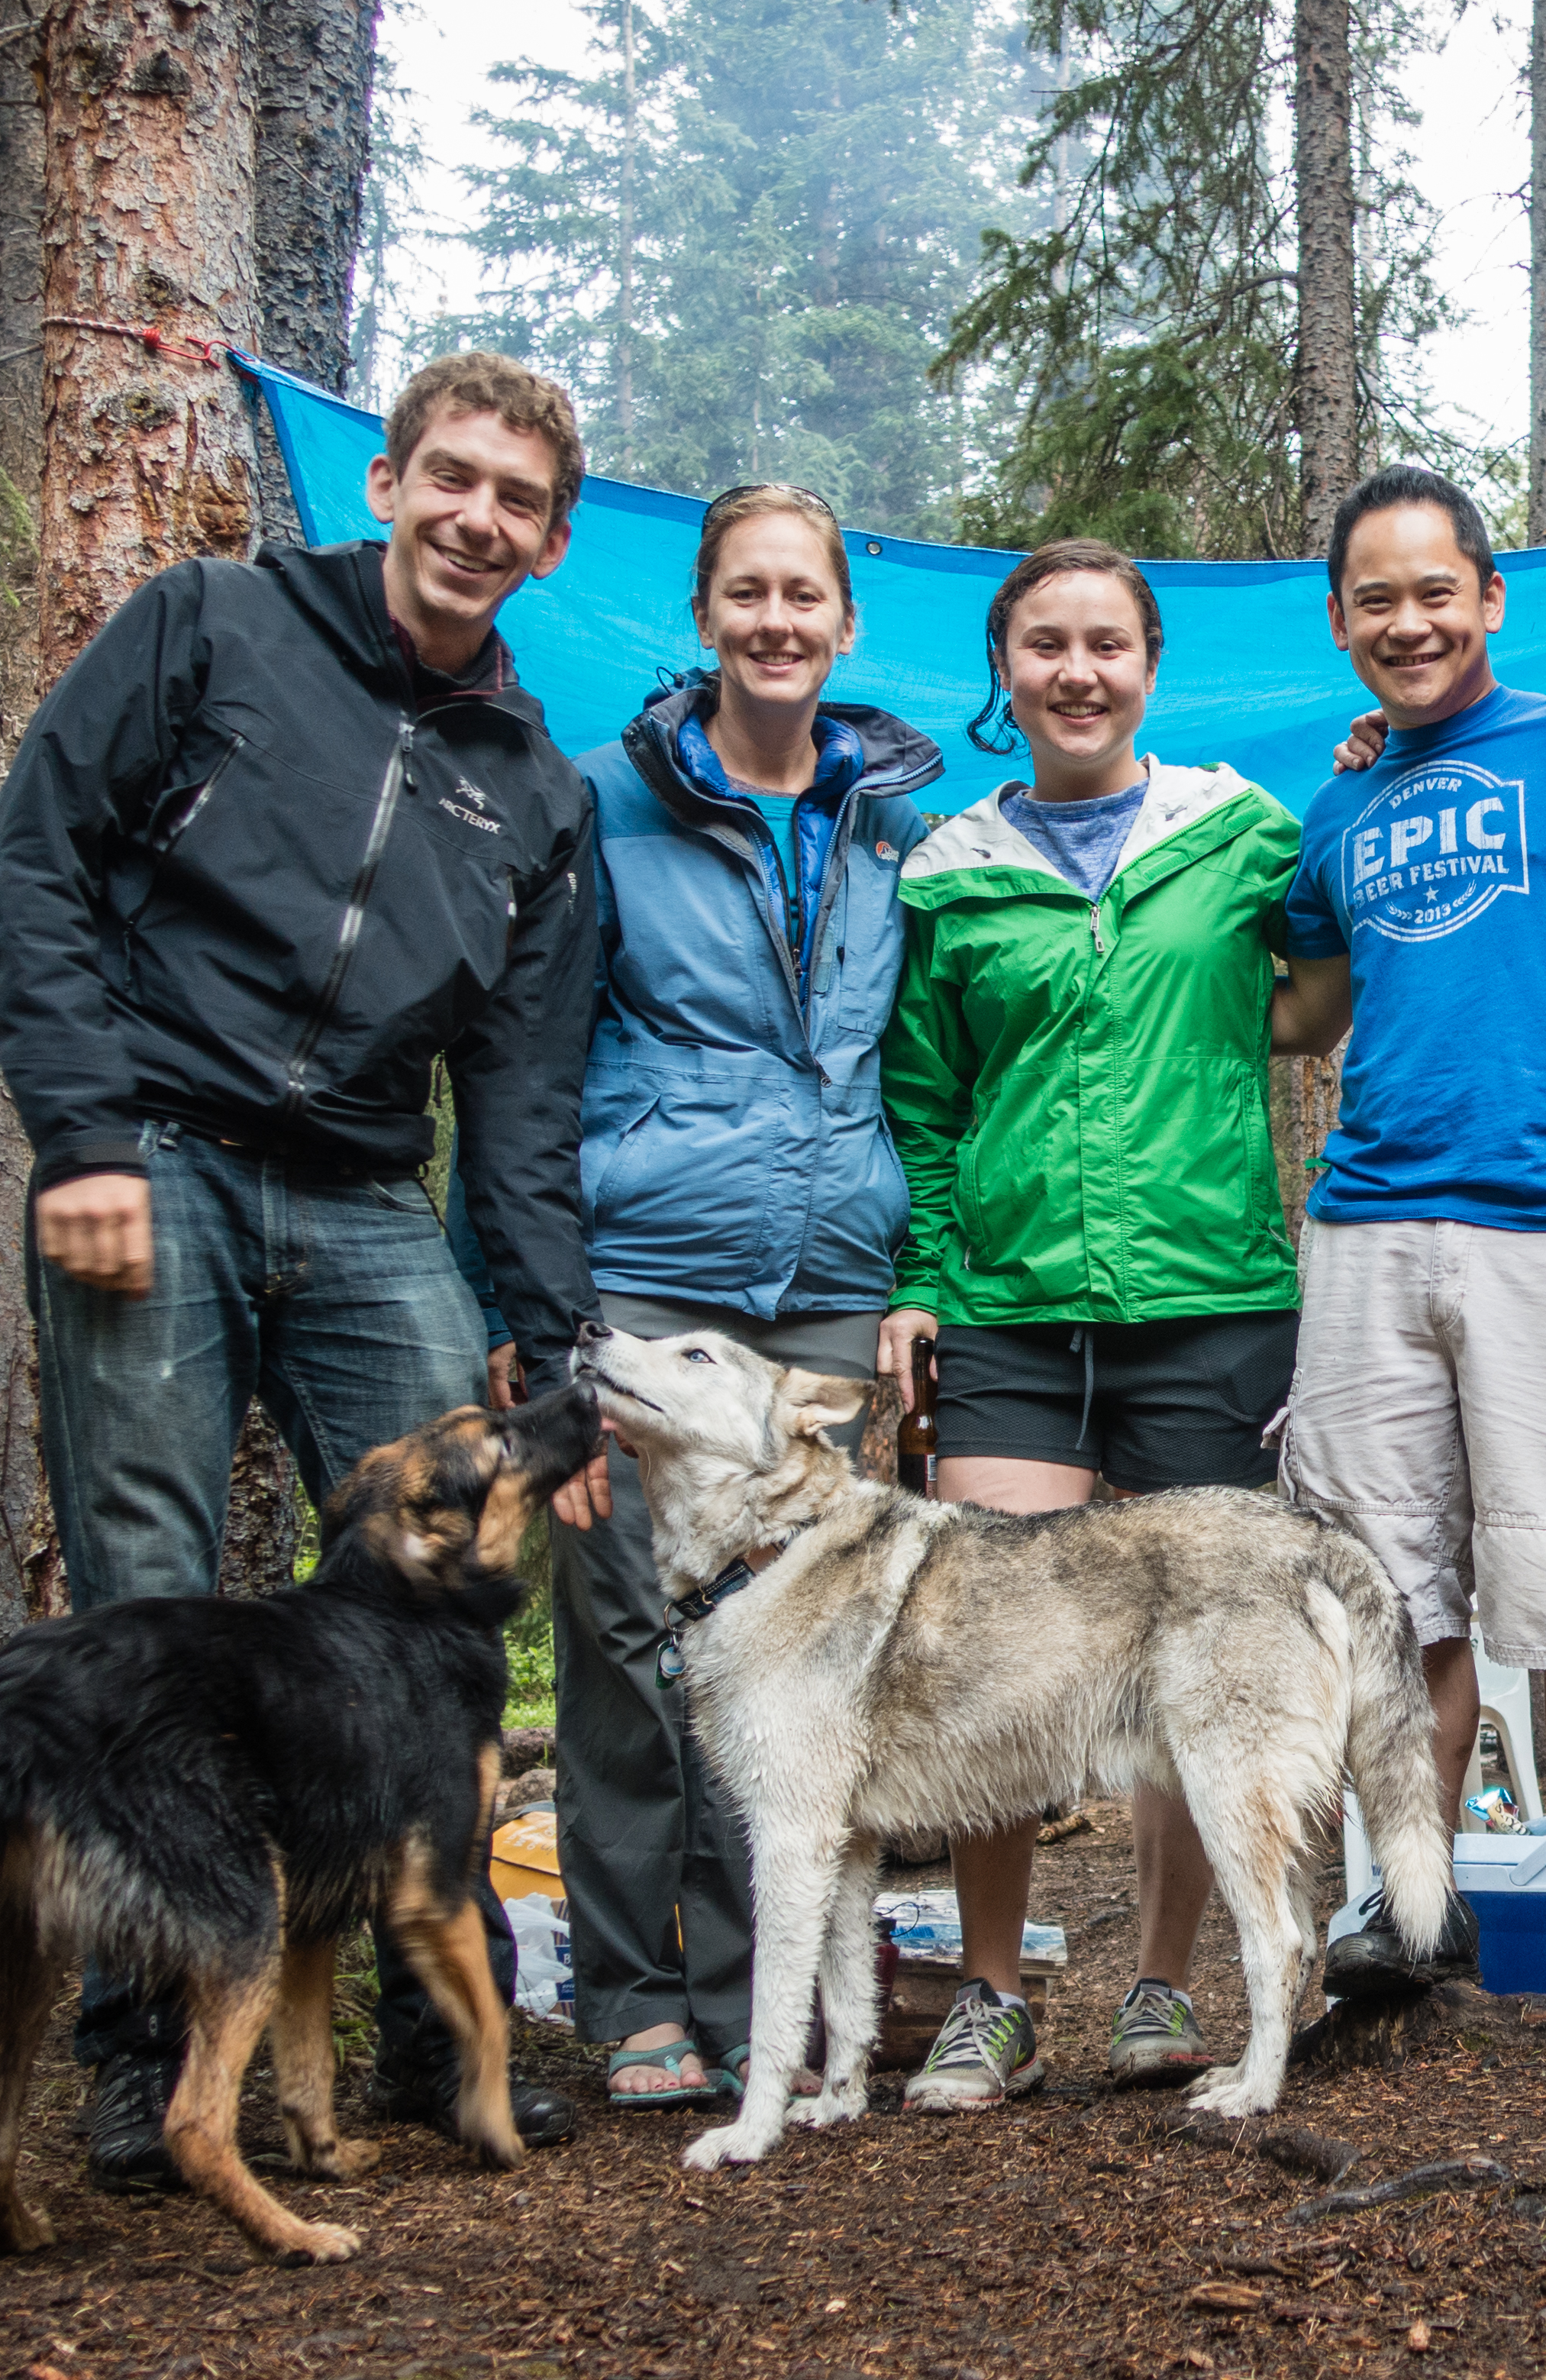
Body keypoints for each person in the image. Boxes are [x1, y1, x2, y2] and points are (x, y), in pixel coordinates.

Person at [0, 351, 599, 2182]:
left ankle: (427, 2034)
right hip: (152, 1154)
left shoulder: (533, 792)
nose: (479, 517)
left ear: (550, 547)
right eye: (453, 477)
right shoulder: (213, 625)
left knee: (435, 1638)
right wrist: (81, 1132)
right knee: (144, 1602)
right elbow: (32, 864)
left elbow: (522, 1089)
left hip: (364, 1193)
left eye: (518, 502)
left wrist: (539, 1331)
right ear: (389, 480)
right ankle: (131, 2049)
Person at [449, 483, 941, 2108]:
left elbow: (925, 1069)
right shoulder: (603, 806)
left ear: (845, 621)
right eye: (747, 593)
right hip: (647, 1279)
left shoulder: (893, 828)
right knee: (621, 1647)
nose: (777, 620)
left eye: (805, 593)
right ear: (705, 614)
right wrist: (536, 1298)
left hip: (824, 1295)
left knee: (792, 1661)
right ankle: (633, 1991)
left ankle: (757, 1994)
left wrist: (904, 1271)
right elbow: (523, 1071)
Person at [876, 538, 1307, 2107]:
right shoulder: (947, 864)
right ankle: (992, 1990)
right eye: (1045, 644)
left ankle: (1159, 1982)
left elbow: (1324, 972)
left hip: (1211, 1298)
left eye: (1106, 644)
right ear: (1005, 666)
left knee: (1196, 1662)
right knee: (990, 1660)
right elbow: (921, 1101)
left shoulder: (1239, 832)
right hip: (1004, 1307)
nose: (1076, 670)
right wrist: (921, 1279)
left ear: (1148, 663)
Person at [1276, 466, 1546, 2039]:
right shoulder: (1338, 805)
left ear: (1488, 595)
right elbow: (1306, 1002)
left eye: (1433, 589)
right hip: (1366, 1226)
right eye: (1375, 598)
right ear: (1338, 622)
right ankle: (1412, 1899)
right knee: (1389, 1601)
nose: (1408, 620)